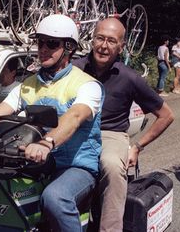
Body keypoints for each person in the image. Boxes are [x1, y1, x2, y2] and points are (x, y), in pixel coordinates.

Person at [0, 14, 104, 232]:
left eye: (51, 43)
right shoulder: (27, 85)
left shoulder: (87, 85)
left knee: (55, 198)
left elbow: (74, 117)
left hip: (75, 165)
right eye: (40, 42)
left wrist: (46, 143)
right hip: (34, 163)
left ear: (69, 47)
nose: (43, 48)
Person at [72, 18, 174, 232]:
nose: (104, 46)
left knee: (112, 165)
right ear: (92, 40)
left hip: (110, 134)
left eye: (111, 41)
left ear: (121, 47)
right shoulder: (74, 69)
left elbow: (166, 115)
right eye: (100, 38)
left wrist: (137, 147)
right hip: (74, 128)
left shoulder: (130, 78)